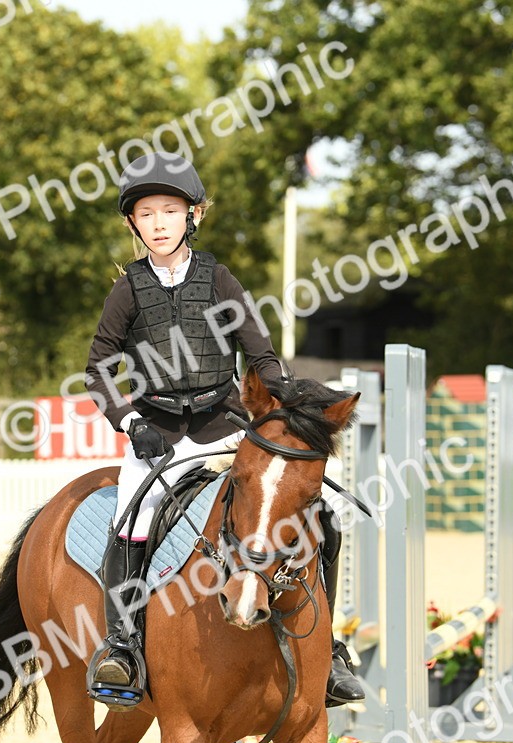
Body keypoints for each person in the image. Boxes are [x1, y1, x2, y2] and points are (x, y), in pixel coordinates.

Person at [82, 152, 363, 710]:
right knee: (129, 523)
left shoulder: (219, 279)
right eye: (146, 214)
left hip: (223, 427)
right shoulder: (128, 289)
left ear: (193, 215)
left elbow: (261, 355)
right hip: (156, 430)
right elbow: (98, 366)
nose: (158, 222)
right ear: (133, 225)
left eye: (169, 210)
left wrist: (286, 402)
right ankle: (123, 645)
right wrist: (130, 421)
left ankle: (328, 652)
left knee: (319, 516)